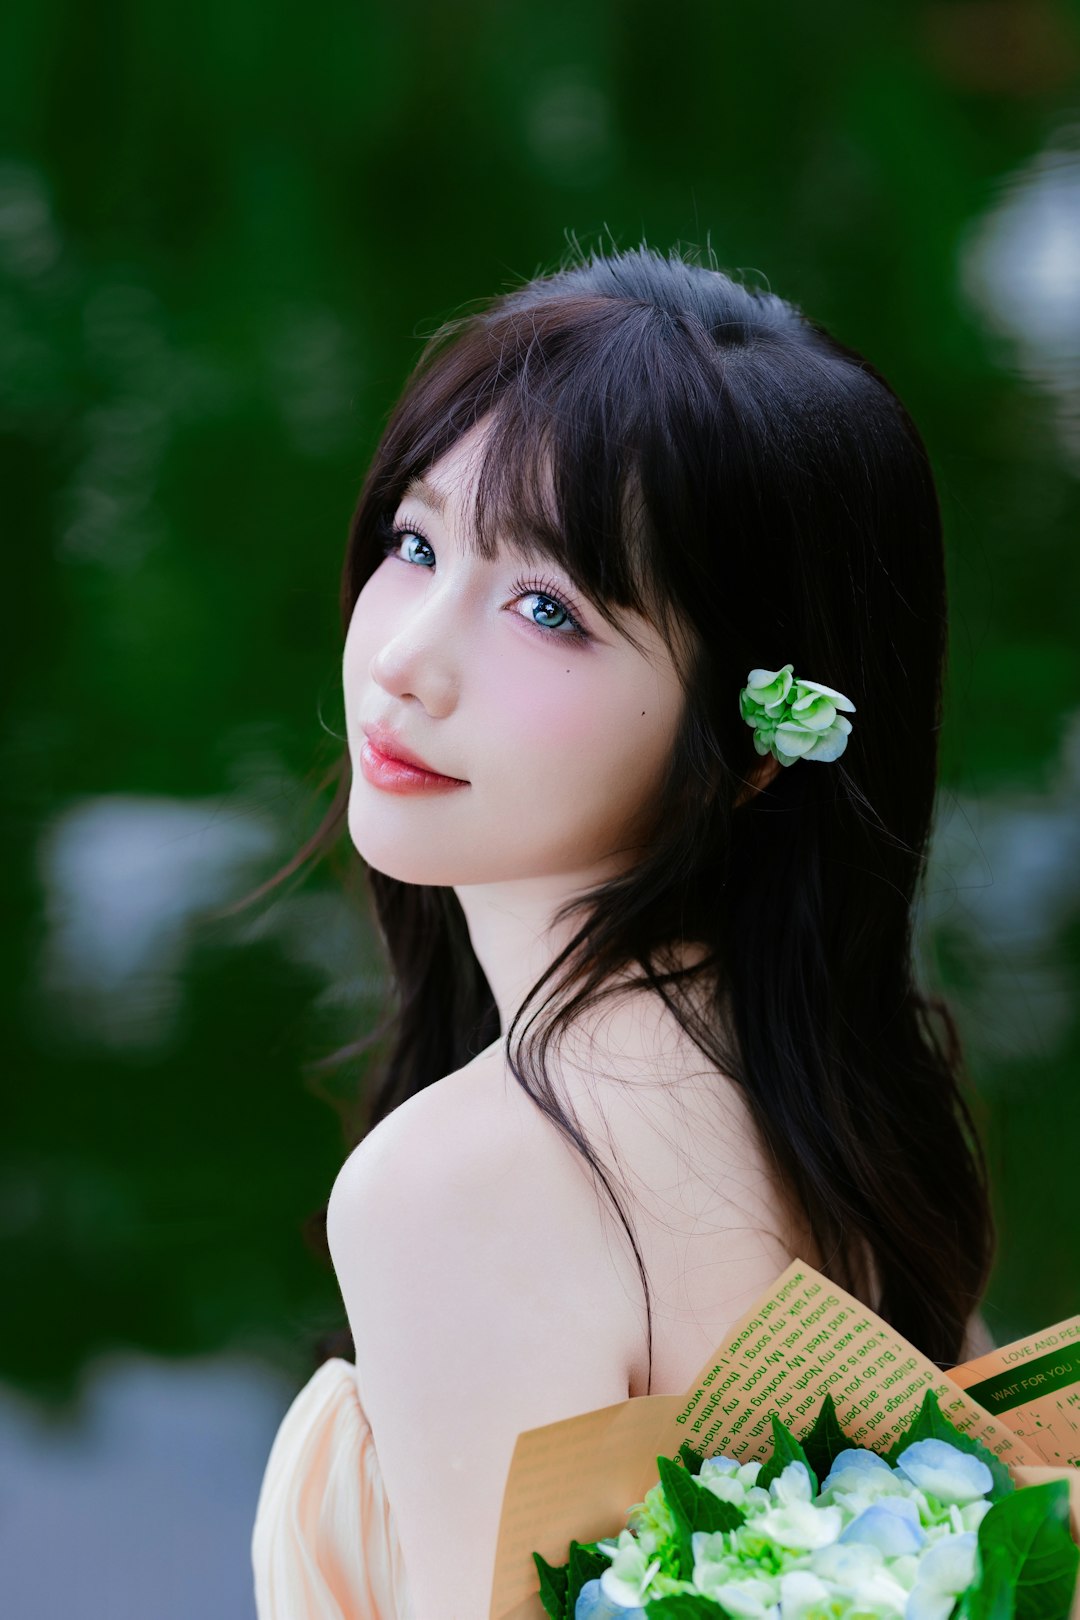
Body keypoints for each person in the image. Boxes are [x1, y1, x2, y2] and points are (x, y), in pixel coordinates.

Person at [249, 242, 997, 1620]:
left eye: (550, 608)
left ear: (756, 740)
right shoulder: (835, 1093)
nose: (409, 654)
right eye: (417, 543)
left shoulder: (463, 1186)